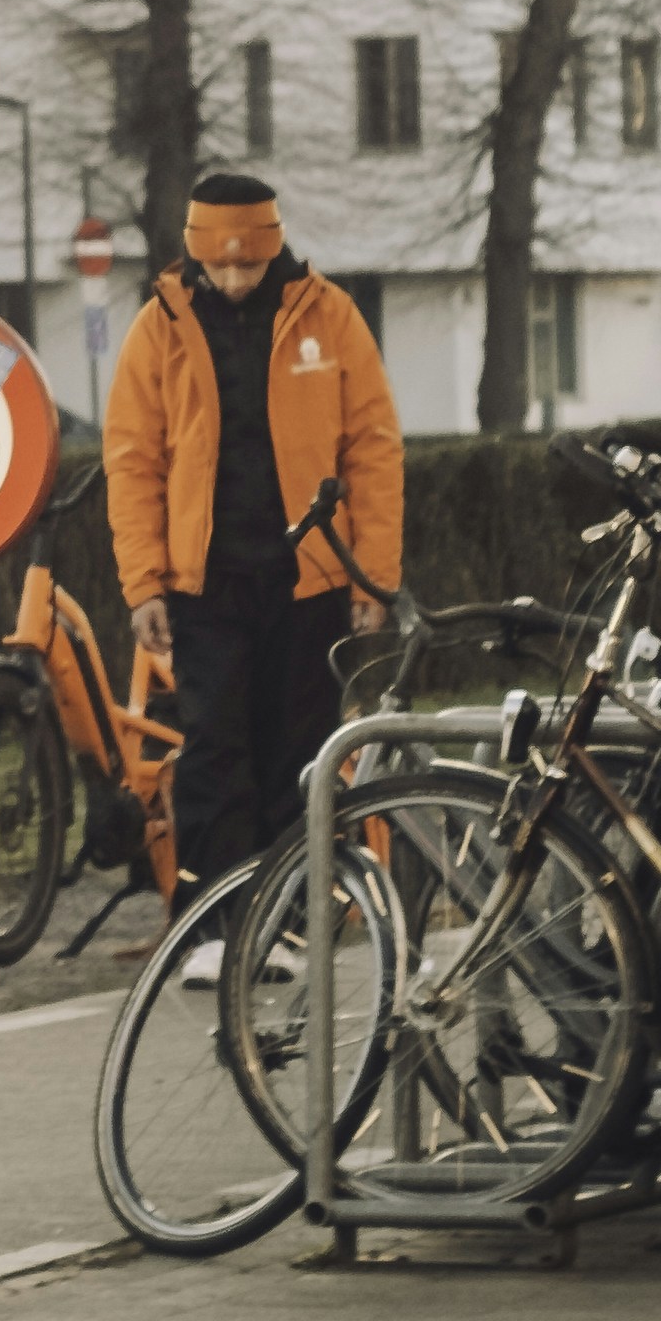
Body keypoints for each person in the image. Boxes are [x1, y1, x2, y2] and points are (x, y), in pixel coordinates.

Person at [101, 173, 404, 919]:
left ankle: (288, 917)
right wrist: (143, 583)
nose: (235, 281)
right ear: (195, 256)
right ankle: (210, 924)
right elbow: (133, 457)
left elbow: (374, 449)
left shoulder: (331, 318)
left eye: (249, 265)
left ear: (274, 250)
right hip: (204, 584)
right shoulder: (158, 328)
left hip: (312, 579)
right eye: (220, 267)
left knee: (299, 755)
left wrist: (372, 580)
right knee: (212, 751)